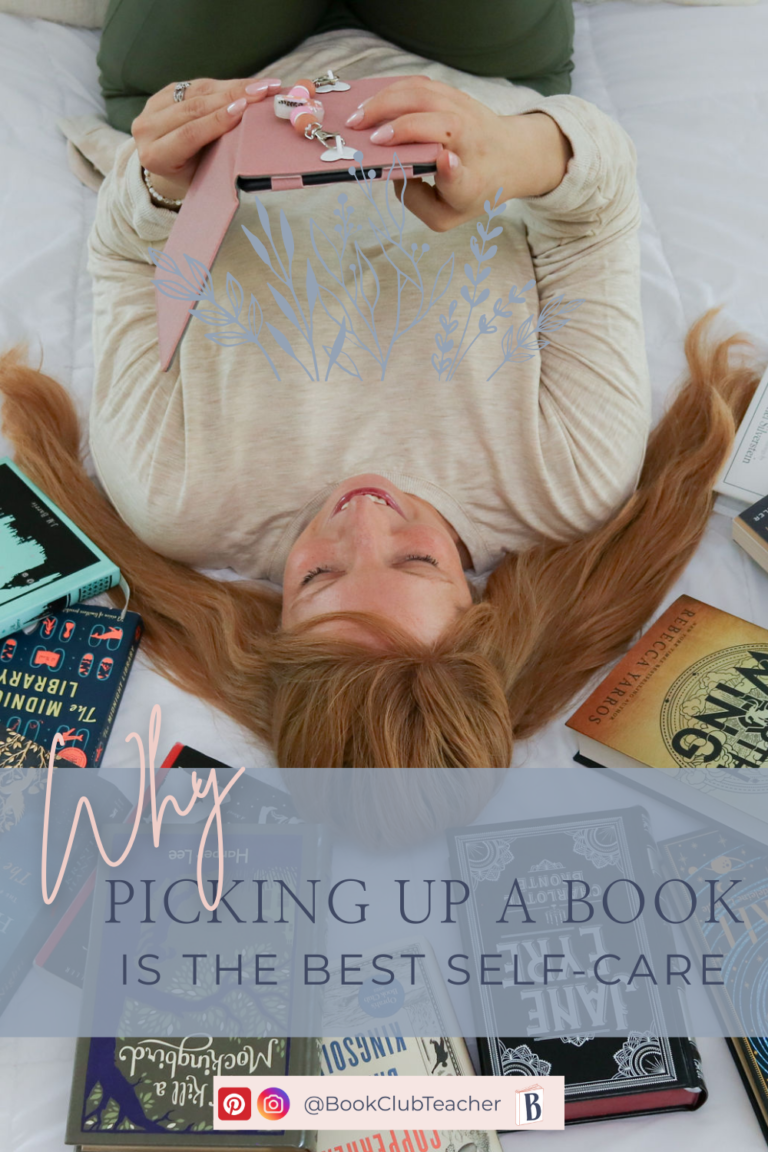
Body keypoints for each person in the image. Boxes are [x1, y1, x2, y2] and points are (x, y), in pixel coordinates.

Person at [0, 28, 762, 782]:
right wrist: (509, 150)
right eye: (417, 560)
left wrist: (161, 181)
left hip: (219, 66)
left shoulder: (177, 499)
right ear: (479, 612)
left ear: (274, 632)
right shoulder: (567, 483)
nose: (363, 513)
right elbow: (597, 212)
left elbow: (129, 256)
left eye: (319, 576)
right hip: (468, 59)